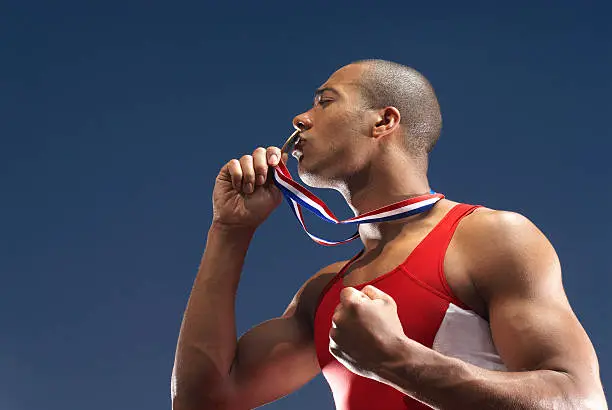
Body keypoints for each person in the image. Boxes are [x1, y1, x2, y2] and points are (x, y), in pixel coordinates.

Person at [170, 60, 607, 409]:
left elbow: (581, 400)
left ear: (383, 121)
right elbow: (202, 400)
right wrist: (229, 230)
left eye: (325, 101)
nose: (300, 118)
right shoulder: (325, 291)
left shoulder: (491, 238)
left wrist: (398, 361)